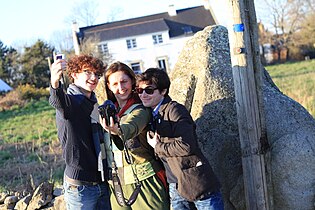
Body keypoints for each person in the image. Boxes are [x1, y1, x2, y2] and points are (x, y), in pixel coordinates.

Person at [136, 68, 224, 210]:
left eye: (149, 90)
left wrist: (158, 147)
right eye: (140, 91)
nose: (143, 95)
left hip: (196, 183)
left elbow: (186, 145)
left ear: (163, 91)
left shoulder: (174, 110)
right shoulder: (152, 113)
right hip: (175, 185)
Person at [99, 62, 169, 210]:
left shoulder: (141, 109)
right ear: (109, 86)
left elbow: (131, 126)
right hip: (117, 184)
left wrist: (118, 130)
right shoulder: (110, 110)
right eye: (115, 83)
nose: (120, 88)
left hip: (145, 182)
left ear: (132, 81)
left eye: (124, 82)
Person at [49, 54, 111, 210]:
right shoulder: (71, 101)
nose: (93, 77)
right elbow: (58, 101)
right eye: (87, 72)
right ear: (74, 74)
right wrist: (55, 83)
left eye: (97, 74)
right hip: (80, 187)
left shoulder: (94, 103)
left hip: (101, 181)